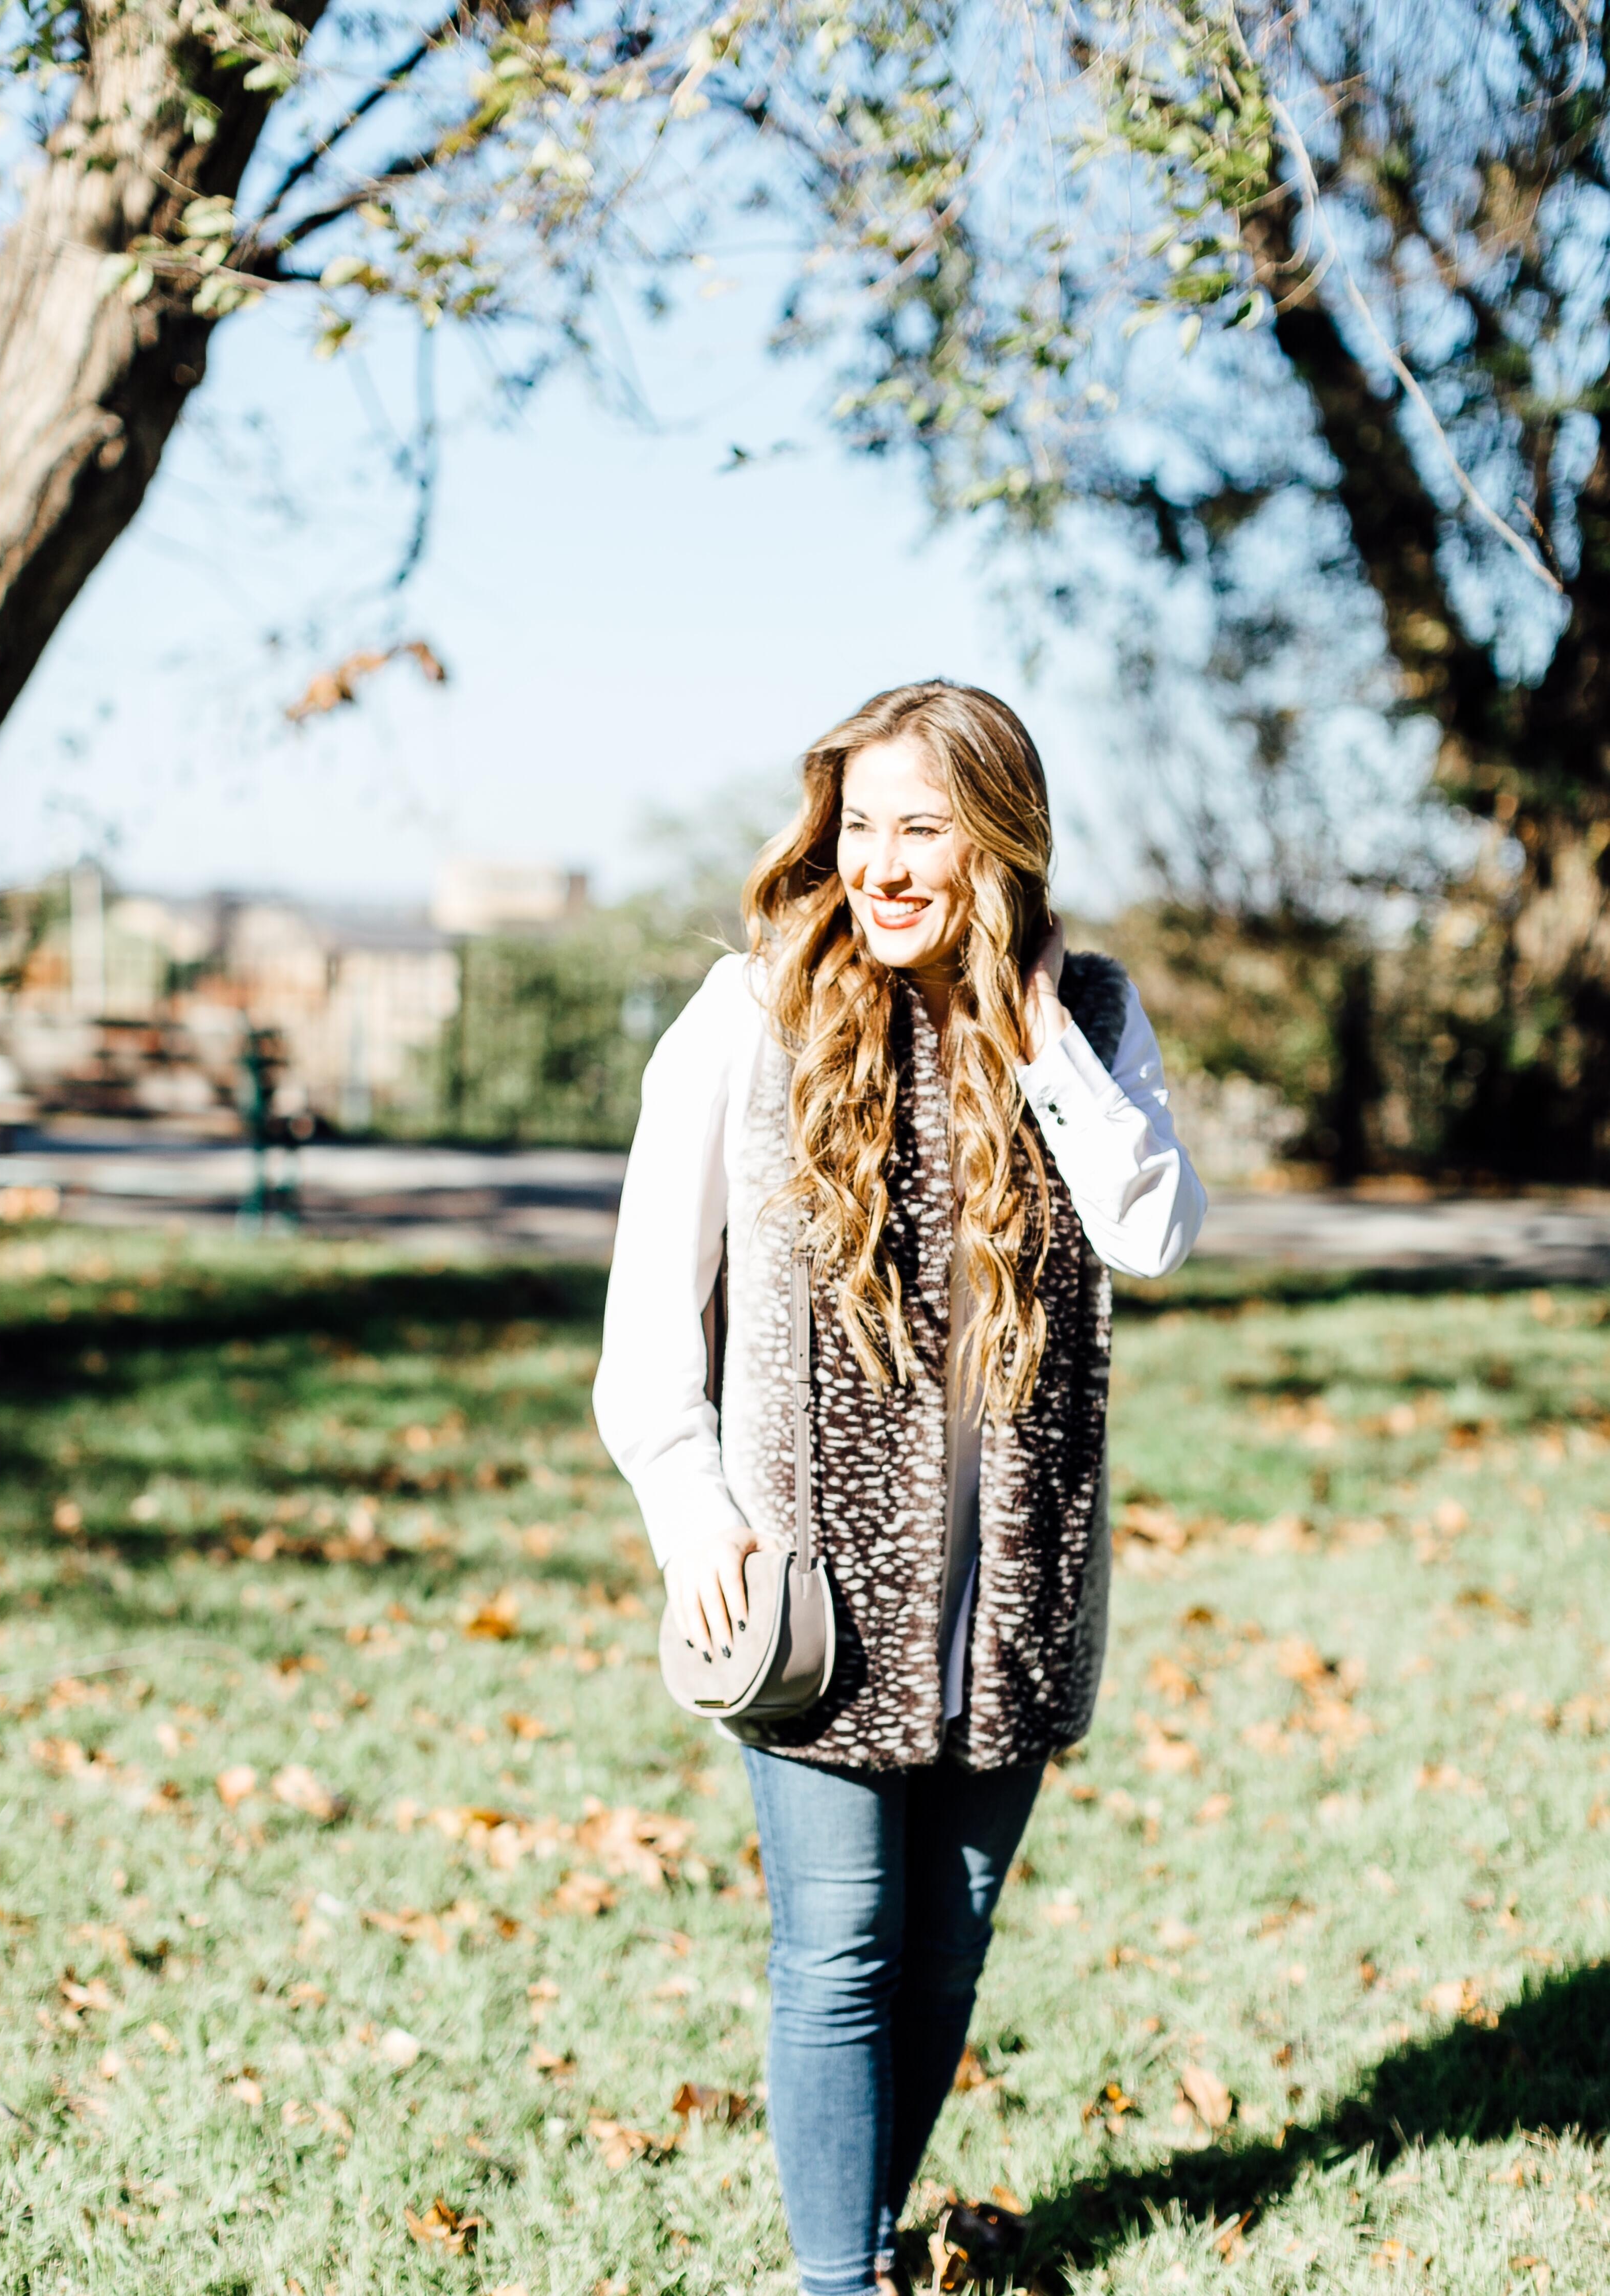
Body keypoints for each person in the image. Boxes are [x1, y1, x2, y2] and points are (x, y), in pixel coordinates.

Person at [594, 681, 1206, 2296]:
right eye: (859, 824)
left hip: (1011, 1595)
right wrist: (691, 1508)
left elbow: (1152, 1231)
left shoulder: (1092, 1012)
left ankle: (857, 2223)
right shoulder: (754, 1011)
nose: (879, 861)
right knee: (839, 1948)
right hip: (810, 1586)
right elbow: (651, 1309)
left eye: (919, 826)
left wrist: (1031, 1021)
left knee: (949, 1949)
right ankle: (836, 2279)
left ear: (996, 842)